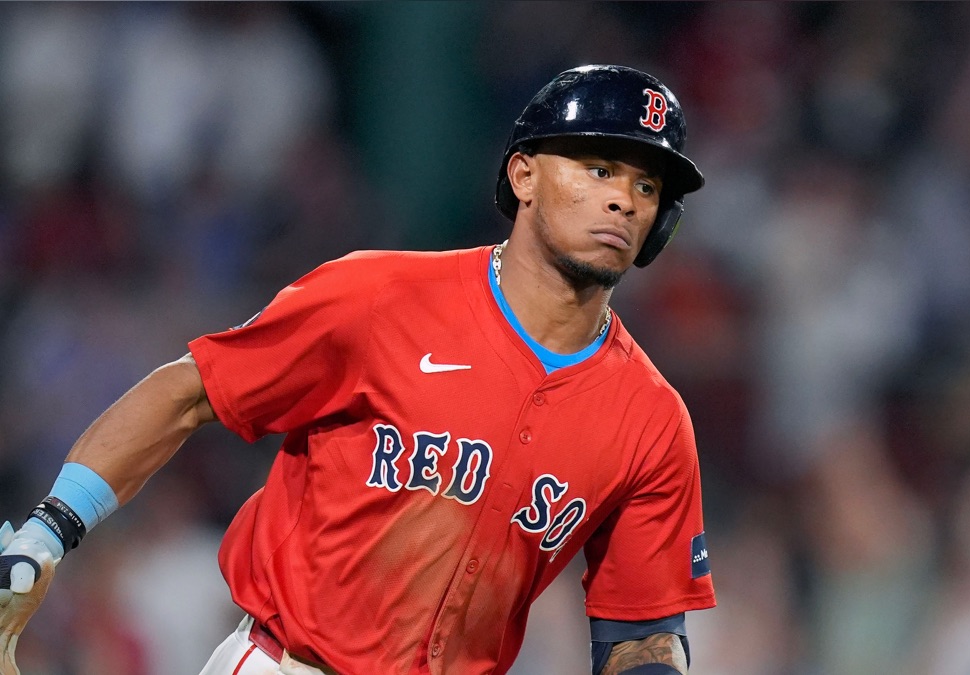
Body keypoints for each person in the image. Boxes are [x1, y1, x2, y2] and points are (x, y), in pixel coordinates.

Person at [0, 64, 715, 675]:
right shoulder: (381, 297)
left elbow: (640, 628)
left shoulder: (651, 420)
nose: (623, 200)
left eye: (647, 187)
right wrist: (48, 529)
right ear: (523, 175)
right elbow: (190, 392)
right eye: (599, 169)